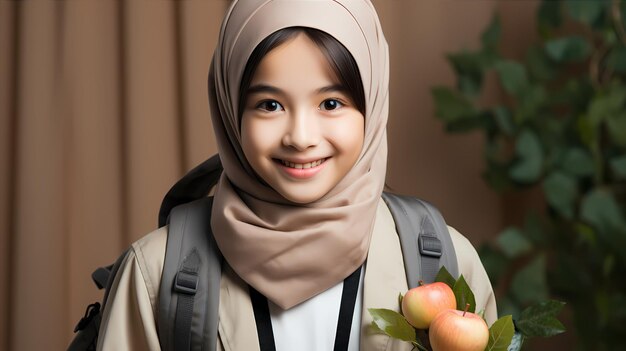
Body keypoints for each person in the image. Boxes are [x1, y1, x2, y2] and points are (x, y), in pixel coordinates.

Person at [96, 1, 497, 350]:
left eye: (331, 102)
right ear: (230, 109)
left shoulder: (441, 261)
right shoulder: (156, 271)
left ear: (371, 107)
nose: (301, 137)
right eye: (270, 104)